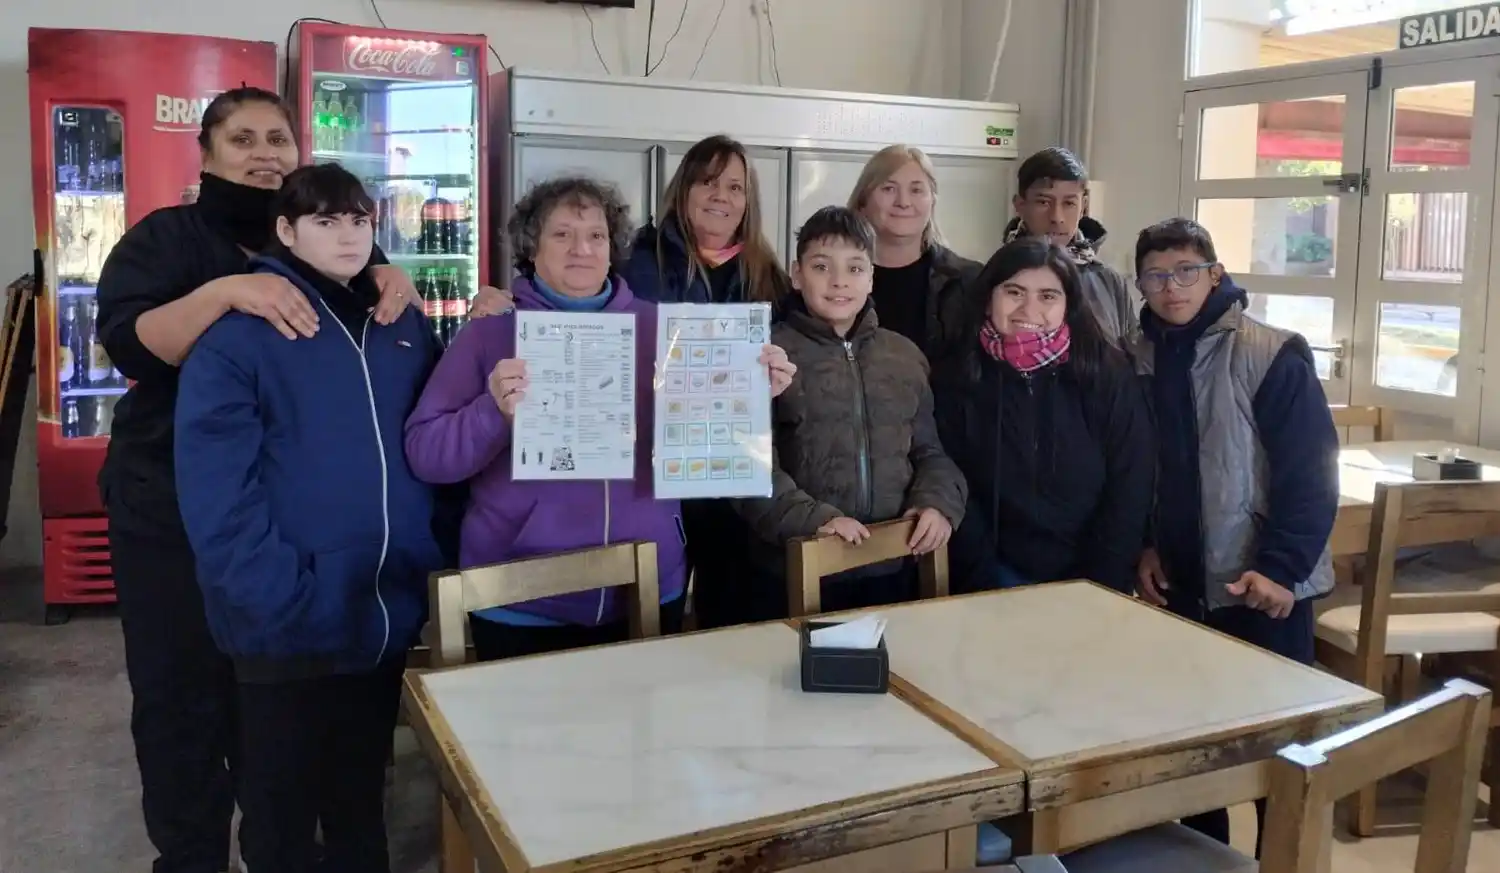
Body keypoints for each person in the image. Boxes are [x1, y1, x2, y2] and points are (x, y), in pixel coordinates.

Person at [92, 86, 428, 873]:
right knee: (182, 702)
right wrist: (222, 294)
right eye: (242, 138)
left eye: (278, 137)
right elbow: (132, 344)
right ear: (206, 153)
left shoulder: (332, 239)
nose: (264, 152)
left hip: (284, 525)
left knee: (274, 715)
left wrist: (401, 286)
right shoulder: (166, 239)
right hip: (167, 509)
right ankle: (191, 856)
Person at [171, 163, 445, 873]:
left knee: (360, 806)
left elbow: (440, 437)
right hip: (285, 628)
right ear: (287, 231)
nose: (348, 235)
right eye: (325, 221)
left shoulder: (400, 324)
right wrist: (279, 599)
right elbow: (217, 499)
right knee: (280, 817)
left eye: (358, 220)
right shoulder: (243, 336)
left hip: (380, 612)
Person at [404, 175, 796, 660]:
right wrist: (493, 412)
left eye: (595, 235)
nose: (581, 249)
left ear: (613, 247)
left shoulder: (665, 329)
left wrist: (755, 391)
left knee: (642, 733)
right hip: (521, 594)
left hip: (648, 586)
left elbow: (713, 442)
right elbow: (427, 454)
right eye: (561, 234)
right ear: (533, 246)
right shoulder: (490, 335)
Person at [1129, 217, 1339, 853]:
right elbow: (1132, 467)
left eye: (1187, 272)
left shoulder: (1269, 351)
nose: (1172, 288)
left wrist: (1283, 567)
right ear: (1139, 284)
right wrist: (1142, 543)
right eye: (1156, 276)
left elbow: (1311, 471)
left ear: (1215, 273)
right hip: (1182, 591)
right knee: (1196, 759)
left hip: (1262, 584)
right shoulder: (1129, 354)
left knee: (1281, 757)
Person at [732, 206, 966, 618]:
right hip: (796, 570)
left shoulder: (904, 356)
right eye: (822, 266)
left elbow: (930, 452)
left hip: (894, 567)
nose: (839, 281)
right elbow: (745, 466)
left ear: (872, 276)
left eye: (855, 267)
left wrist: (938, 502)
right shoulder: (765, 355)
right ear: (797, 273)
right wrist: (815, 520)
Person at [619, 134, 795, 630]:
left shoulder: (767, 274)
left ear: (747, 202)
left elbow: (803, 344)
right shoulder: (637, 260)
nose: (721, 195)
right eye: (708, 181)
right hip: (654, 467)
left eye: (735, 187)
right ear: (684, 189)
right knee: (655, 617)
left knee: (730, 612)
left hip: (735, 469)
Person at [935, 237, 1153, 594]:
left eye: (1048, 296)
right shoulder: (955, 375)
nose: (1029, 309)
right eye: (1014, 292)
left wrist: (1101, 581)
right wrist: (984, 577)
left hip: (1093, 575)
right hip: (991, 576)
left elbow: (1130, 482)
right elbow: (954, 483)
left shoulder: (1107, 373)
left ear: (1069, 304)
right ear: (989, 297)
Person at [847, 144, 980, 364]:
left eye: (917, 190)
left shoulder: (969, 282)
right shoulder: (833, 281)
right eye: (889, 189)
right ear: (863, 202)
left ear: (932, 201)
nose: (903, 202)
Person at [1003, 147, 1136, 344]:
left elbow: (1128, 359)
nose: (1057, 217)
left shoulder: (1109, 282)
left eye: (1069, 203)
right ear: (1020, 205)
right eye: (1043, 202)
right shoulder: (997, 276)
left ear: (1084, 206)